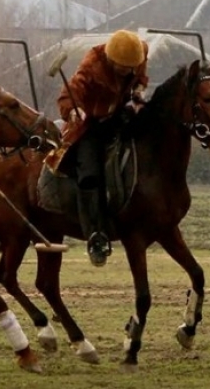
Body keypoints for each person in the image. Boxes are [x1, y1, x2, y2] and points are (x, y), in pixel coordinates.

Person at [56, 29, 149, 266]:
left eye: (132, 67)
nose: (128, 71)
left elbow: (140, 76)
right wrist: (72, 110)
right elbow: (70, 93)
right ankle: (96, 235)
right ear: (111, 60)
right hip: (90, 125)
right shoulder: (91, 65)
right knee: (89, 175)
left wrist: (138, 92)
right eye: (124, 68)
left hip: (119, 115)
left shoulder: (139, 54)